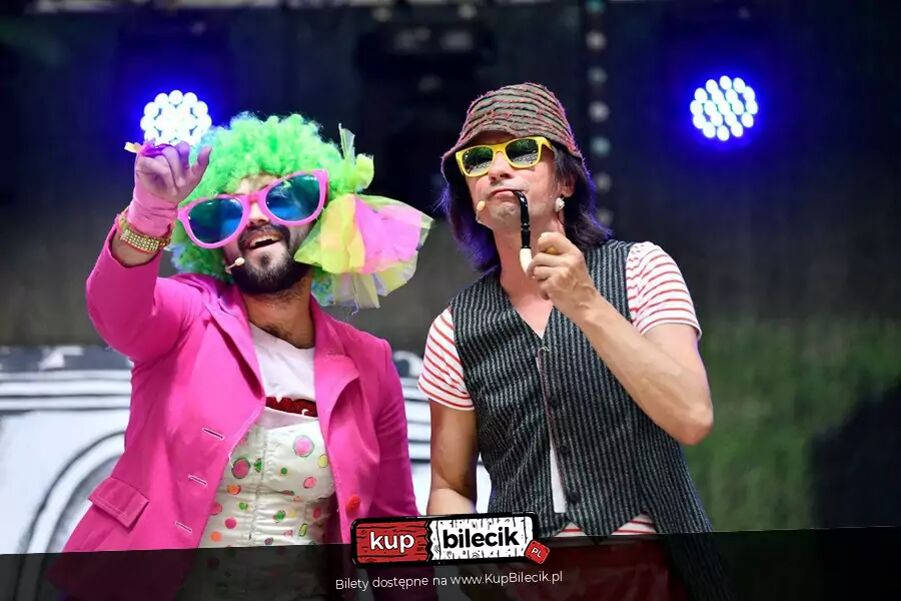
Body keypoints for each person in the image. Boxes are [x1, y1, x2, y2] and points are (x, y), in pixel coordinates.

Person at [65, 113, 432, 553]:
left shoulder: (369, 363)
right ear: (218, 253)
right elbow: (118, 312)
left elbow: (392, 522)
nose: (255, 216)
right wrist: (149, 214)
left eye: (285, 200)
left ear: (321, 223)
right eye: (225, 215)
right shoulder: (189, 316)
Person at [420, 82, 715, 540]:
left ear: (566, 181)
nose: (497, 169)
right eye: (477, 160)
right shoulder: (453, 329)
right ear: (470, 199)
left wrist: (587, 304)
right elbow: (450, 487)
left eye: (521, 151)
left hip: (656, 565)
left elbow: (693, 417)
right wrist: (479, 568)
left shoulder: (640, 269)